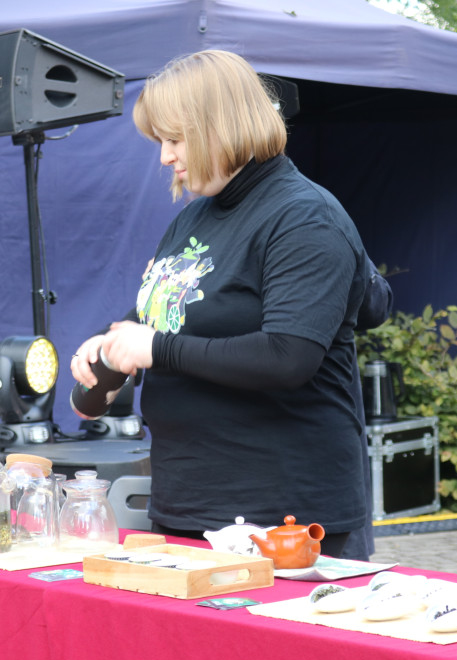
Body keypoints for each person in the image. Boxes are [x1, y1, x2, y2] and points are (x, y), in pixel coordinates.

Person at [70, 50, 371, 558]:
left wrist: (156, 349)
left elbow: (287, 357)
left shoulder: (304, 218)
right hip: (187, 508)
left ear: (221, 126)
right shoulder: (193, 220)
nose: (165, 157)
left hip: (283, 521)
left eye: (174, 138)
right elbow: (166, 322)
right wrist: (112, 346)